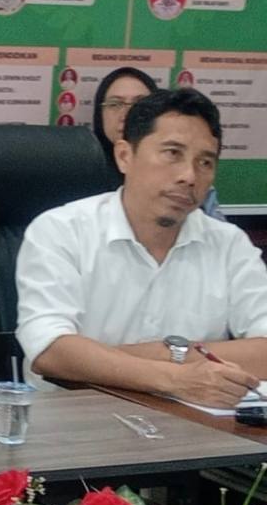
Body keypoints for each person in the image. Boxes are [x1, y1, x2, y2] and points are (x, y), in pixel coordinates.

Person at [16, 89, 267, 408]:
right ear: (124, 156)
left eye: (205, 162)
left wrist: (142, 356)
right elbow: (51, 351)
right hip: (75, 423)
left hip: (192, 427)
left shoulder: (229, 244)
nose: (189, 176)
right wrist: (177, 378)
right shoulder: (61, 230)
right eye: (172, 153)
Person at [91, 67, 223, 219]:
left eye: (139, 104)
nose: (126, 115)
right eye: (115, 104)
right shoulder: (81, 175)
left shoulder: (193, 181)